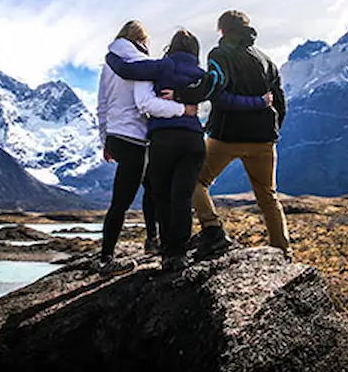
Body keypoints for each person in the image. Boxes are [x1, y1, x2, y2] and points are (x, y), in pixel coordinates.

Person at [107, 29, 270, 272]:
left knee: (162, 196)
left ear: (171, 47)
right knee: (183, 197)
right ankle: (180, 254)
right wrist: (259, 101)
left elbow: (126, 70)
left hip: (164, 139)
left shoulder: (161, 67)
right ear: (195, 50)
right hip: (194, 141)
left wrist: (111, 55)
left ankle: (168, 253)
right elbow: (221, 91)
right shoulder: (202, 75)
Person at [175, 10, 291, 260]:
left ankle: (213, 228)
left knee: (195, 181)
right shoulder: (267, 60)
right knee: (268, 197)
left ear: (222, 30)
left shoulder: (220, 54)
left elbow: (216, 90)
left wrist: (181, 96)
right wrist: (272, 131)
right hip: (264, 141)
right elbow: (280, 103)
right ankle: (282, 251)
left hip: (226, 137)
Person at [96, 21, 197, 276]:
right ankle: (109, 259)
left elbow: (102, 105)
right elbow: (145, 104)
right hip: (135, 138)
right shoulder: (141, 64)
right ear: (141, 41)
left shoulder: (108, 65)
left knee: (148, 189)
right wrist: (182, 109)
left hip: (116, 137)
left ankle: (148, 241)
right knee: (131, 198)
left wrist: (105, 140)